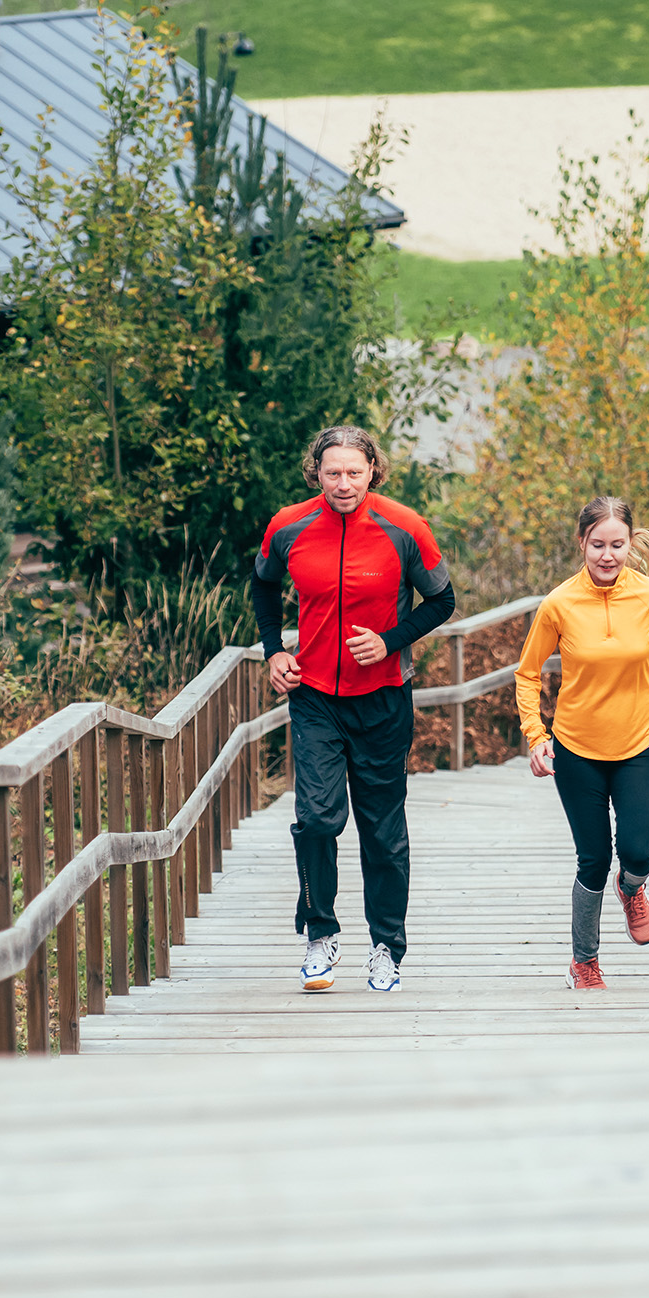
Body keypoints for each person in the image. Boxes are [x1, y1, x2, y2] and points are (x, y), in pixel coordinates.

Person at [253, 425, 456, 993]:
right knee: (318, 819)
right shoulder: (288, 526)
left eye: (354, 472)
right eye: (333, 472)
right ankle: (320, 932)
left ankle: (387, 947)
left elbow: (442, 600)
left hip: (384, 697)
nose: (343, 483)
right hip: (314, 695)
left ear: (373, 472)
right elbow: (263, 586)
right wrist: (274, 651)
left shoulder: (405, 528)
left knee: (383, 832)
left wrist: (390, 641)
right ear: (315, 473)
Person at [513, 497, 649, 990]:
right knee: (592, 860)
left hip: (639, 745)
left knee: (638, 853)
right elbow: (528, 674)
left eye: (617, 545)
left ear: (630, 543)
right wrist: (536, 735)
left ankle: (631, 888)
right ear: (582, 543)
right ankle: (584, 962)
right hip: (576, 750)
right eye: (598, 545)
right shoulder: (558, 604)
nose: (607, 555)